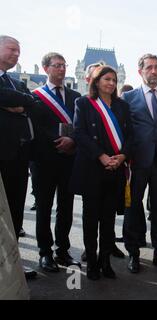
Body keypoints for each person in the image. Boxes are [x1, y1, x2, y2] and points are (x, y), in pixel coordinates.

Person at [71, 65, 133, 280]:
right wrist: (101, 156)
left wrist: (123, 156)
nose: (111, 83)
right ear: (96, 82)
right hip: (93, 169)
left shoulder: (122, 106)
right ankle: (92, 263)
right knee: (90, 220)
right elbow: (79, 133)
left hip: (115, 169)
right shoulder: (83, 103)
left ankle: (106, 261)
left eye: (114, 80)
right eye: (106, 79)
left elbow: (130, 136)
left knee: (108, 220)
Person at [122, 54, 157, 273]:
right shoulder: (128, 97)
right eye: (150, 68)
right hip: (137, 161)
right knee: (133, 207)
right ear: (140, 71)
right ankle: (133, 254)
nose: (154, 71)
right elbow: (123, 130)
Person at [31, 52, 81, 272]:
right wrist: (58, 140)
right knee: (44, 207)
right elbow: (34, 126)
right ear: (46, 69)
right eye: (57, 65)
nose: (62, 69)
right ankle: (45, 252)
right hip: (44, 160)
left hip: (69, 159)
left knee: (66, 207)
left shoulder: (76, 96)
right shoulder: (34, 96)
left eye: (64, 65)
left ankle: (63, 249)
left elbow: (82, 126)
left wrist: (72, 140)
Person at [0, 35, 37, 279]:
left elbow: (32, 101)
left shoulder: (13, 82)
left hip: (18, 157)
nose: (16, 54)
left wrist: (19, 102)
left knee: (14, 213)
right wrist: (18, 101)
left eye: (19, 51)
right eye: (12, 49)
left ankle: (12, 264)